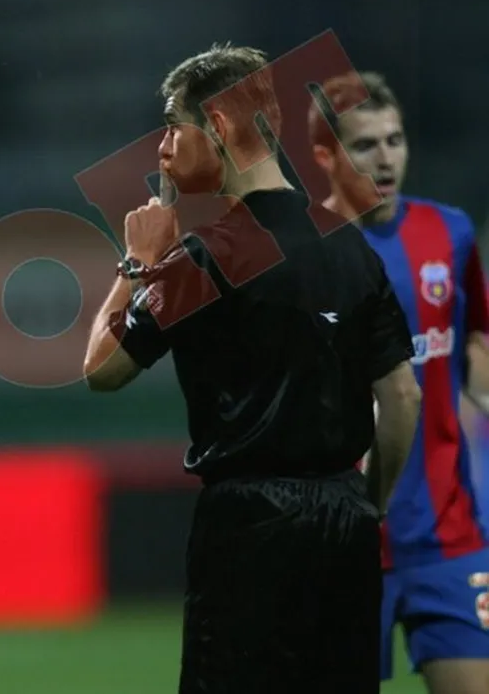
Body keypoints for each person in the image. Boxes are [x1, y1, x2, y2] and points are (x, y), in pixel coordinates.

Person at [83, 44, 422, 693]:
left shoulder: (205, 256)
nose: (163, 149)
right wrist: (367, 506)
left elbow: (102, 369)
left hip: (249, 526)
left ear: (218, 126)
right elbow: (402, 399)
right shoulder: (350, 246)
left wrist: (137, 264)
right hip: (345, 523)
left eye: (173, 126)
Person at [310, 71, 489, 694]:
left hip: (449, 535)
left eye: (395, 139)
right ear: (326, 156)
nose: (386, 158)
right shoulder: (307, 252)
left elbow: (472, 343)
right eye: (365, 144)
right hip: (345, 543)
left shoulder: (451, 232)